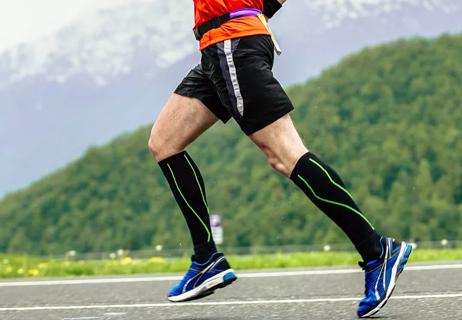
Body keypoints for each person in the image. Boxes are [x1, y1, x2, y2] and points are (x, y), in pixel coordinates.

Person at [148, 0, 413, 317]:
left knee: (286, 155)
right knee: (165, 142)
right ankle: (206, 258)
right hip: (220, 46)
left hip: (232, 43)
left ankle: (377, 251)